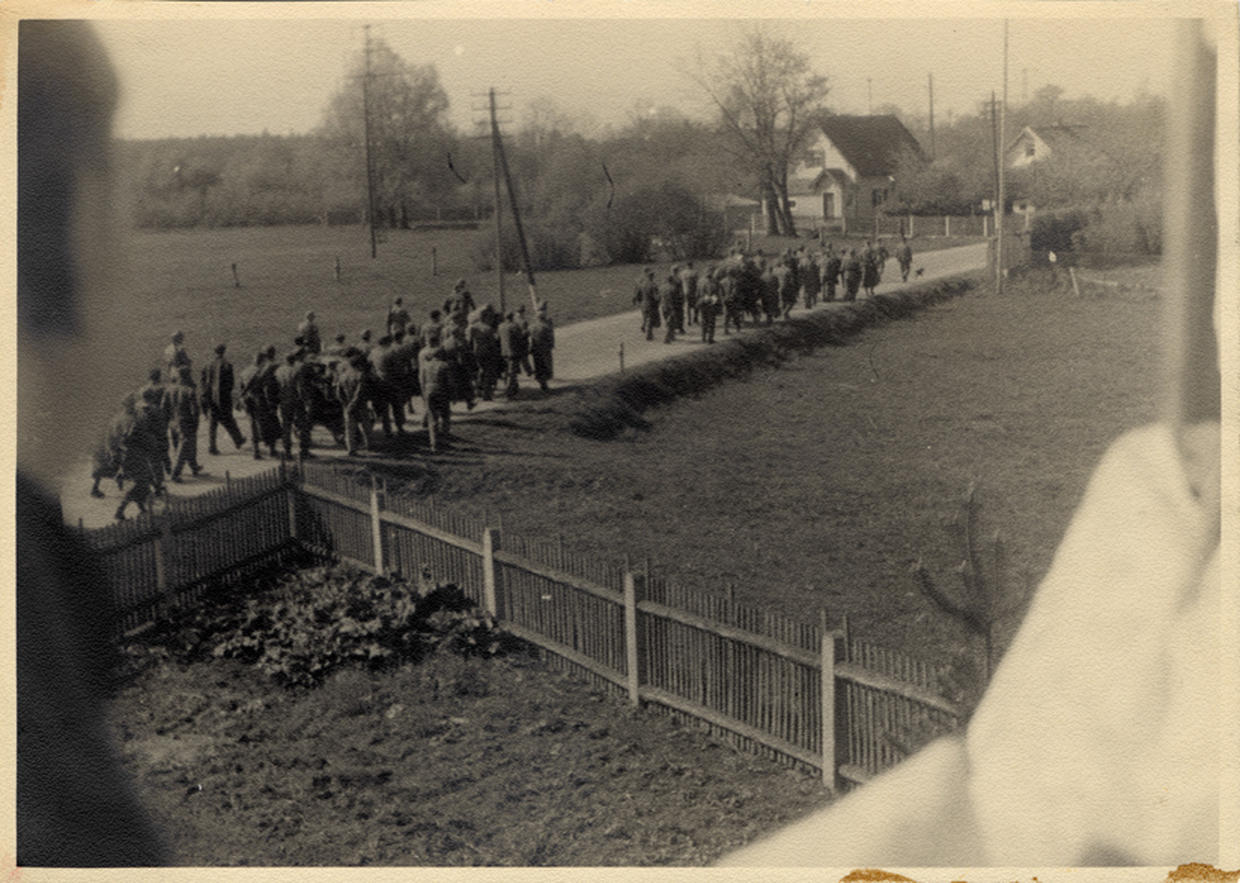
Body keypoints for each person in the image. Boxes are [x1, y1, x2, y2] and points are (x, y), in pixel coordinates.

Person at [201, 343, 246, 455]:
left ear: (214, 351)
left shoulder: (208, 365)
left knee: (213, 423)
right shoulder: (227, 365)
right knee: (229, 420)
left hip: (211, 397)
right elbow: (230, 384)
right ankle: (238, 440)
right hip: (223, 397)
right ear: (224, 351)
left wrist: (206, 394)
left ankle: (212, 446)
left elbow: (203, 381)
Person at [237, 350, 280, 460]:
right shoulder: (262, 372)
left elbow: (241, 389)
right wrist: (272, 404)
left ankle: (256, 452)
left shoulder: (244, 372)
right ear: (262, 360)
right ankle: (272, 450)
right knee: (269, 424)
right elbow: (267, 388)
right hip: (260, 400)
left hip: (247, 401)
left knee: (253, 426)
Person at [528, 301, 556, 391]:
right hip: (544, 348)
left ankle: (542, 381)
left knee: (539, 366)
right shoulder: (545, 324)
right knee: (546, 365)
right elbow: (550, 335)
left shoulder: (532, 325)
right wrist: (551, 344)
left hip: (535, 349)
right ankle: (544, 383)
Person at [497, 311, 524, 398]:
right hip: (513, 352)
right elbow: (520, 337)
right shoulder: (514, 326)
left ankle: (514, 387)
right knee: (512, 372)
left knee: (507, 371)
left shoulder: (500, 326)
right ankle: (509, 391)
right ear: (512, 317)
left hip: (504, 352)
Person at [634, 267, 660, 341]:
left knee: (646, 317)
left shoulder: (642, 284)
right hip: (651, 304)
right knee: (651, 320)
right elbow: (656, 297)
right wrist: (659, 297)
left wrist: (638, 301)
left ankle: (645, 327)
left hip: (643, 303)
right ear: (652, 276)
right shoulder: (653, 285)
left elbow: (638, 294)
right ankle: (649, 335)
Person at [697, 269, 721, 344]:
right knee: (711, 321)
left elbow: (697, 293)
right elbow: (715, 293)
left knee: (704, 321)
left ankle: (703, 338)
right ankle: (710, 339)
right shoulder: (713, 282)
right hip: (710, 303)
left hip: (702, 302)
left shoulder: (700, 281)